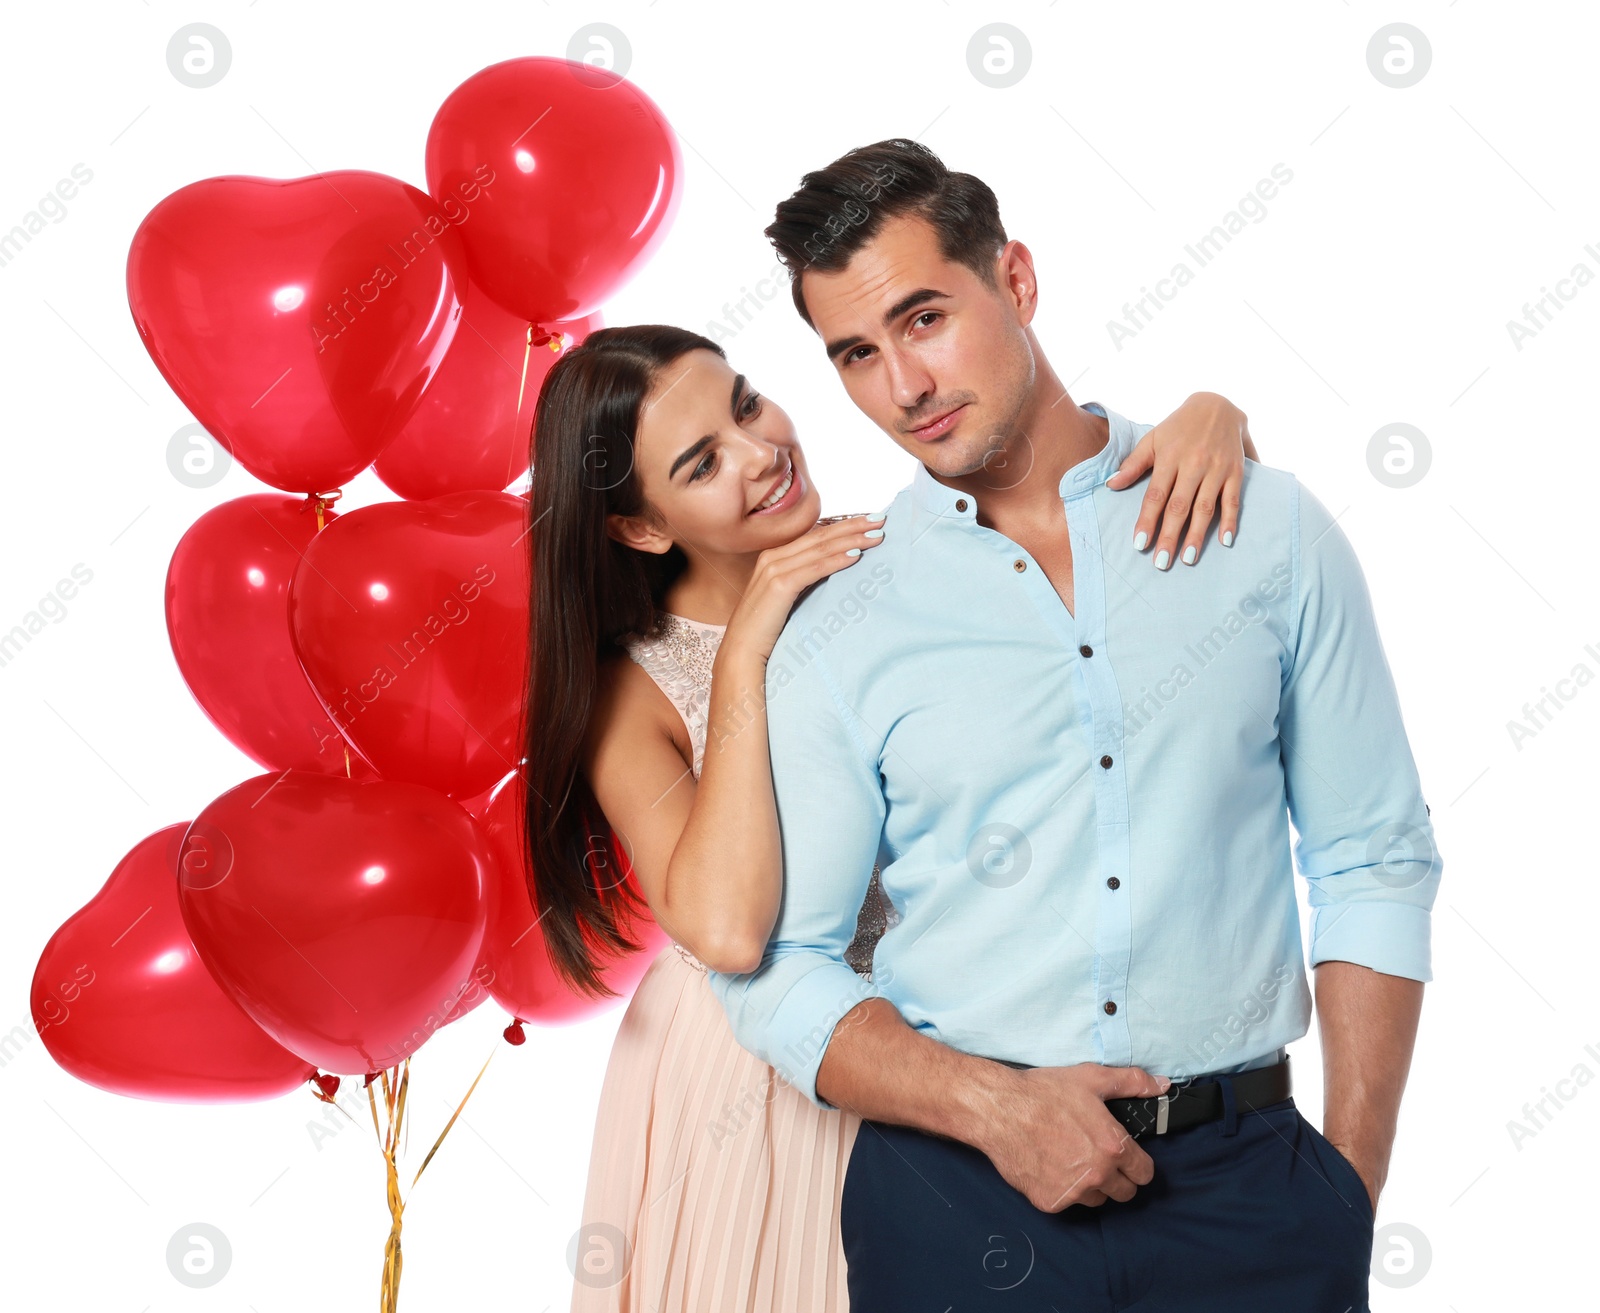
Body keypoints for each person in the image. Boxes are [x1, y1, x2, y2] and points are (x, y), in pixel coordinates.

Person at [706, 139, 1441, 1312]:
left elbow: (1372, 858)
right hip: (952, 1201)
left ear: (1019, 281)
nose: (904, 383)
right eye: (856, 352)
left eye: (925, 317)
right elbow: (775, 969)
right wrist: (991, 1107)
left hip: (1255, 1195)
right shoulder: (839, 620)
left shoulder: (1265, 529)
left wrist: (1343, 1191)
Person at [522, 321, 1263, 1306]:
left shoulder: (899, 556)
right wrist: (746, 646)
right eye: (703, 462)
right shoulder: (636, 688)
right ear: (640, 527)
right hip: (753, 1078)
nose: (760, 452)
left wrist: (1217, 416)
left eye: (746, 405)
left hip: (944, 1038)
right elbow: (731, 929)